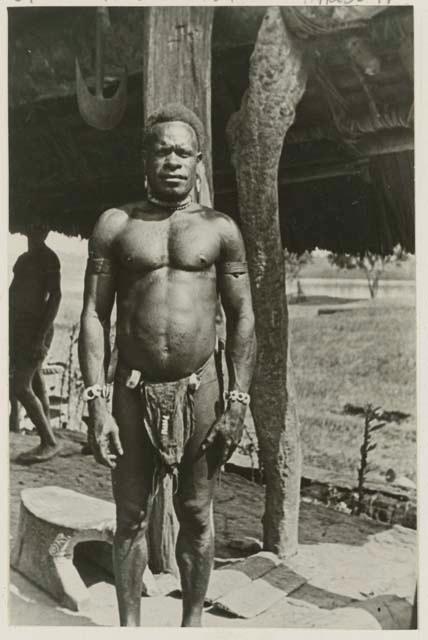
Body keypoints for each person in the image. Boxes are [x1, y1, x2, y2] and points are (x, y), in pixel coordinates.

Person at [78, 103, 256, 627]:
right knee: (129, 517)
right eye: (162, 150)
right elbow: (93, 314)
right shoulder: (116, 225)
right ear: (146, 160)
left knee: (197, 514)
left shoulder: (220, 230)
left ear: (200, 161)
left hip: (199, 389)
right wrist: (94, 402)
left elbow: (243, 316)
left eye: (183, 151)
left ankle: (192, 625)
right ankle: (130, 629)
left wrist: (238, 401)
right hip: (130, 392)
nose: (173, 160)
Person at [9, 225, 62, 463]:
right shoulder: (23, 259)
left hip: (36, 330)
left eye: (39, 230)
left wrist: (41, 336)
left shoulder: (49, 258)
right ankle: (48, 434)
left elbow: (56, 296)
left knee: (21, 386)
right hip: (19, 328)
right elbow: (14, 293)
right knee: (34, 378)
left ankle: (49, 441)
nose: (34, 234)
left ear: (45, 232)